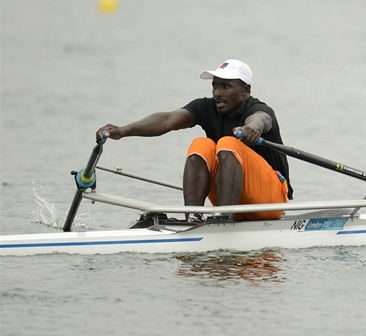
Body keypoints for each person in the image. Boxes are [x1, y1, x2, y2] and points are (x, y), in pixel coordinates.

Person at [96, 59, 293, 221]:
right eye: (215, 86)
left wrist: (252, 128)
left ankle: (223, 219)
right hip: (233, 199)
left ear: (245, 90)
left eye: (226, 86)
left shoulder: (260, 110)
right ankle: (194, 217)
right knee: (201, 144)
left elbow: (261, 119)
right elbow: (167, 120)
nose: (217, 93)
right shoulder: (206, 108)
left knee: (227, 143)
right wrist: (123, 130)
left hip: (271, 201)